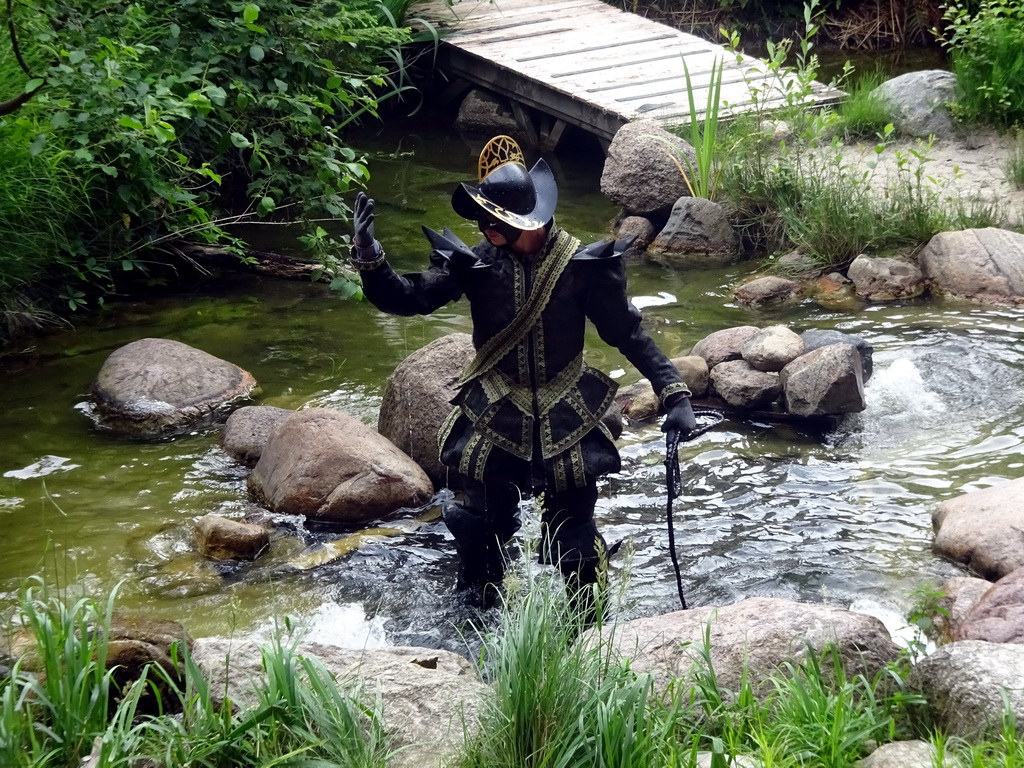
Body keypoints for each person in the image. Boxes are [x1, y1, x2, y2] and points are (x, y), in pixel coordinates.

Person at [349, 135, 696, 610]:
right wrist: (369, 255)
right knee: (479, 531)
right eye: (483, 221)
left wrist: (675, 394)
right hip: (494, 412)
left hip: (566, 417)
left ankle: (585, 634)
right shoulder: (475, 264)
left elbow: (627, 334)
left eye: (492, 222)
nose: (483, 228)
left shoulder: (585, 268)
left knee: (575, 542)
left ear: (524, 221)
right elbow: (409, 298)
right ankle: (475, 627)